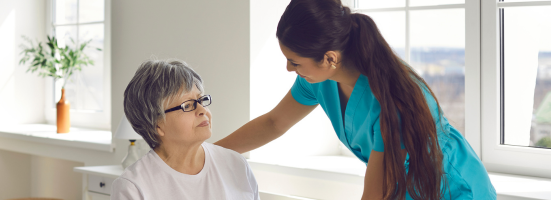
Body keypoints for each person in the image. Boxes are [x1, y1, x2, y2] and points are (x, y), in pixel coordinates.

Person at [214, 0, 496, 199]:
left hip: (454, 190)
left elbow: (374, 194)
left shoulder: (393, 101)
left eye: (294, 61)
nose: (289, 68)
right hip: (404, 188)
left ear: (329, 59)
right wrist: (207, 154)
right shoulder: (318, 80)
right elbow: (274, 123)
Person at [111, 59, 259, 200]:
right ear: (157, 125)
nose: (202, 110)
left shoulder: (236, 165)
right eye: (187, 105)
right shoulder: (133, 187)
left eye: (201, 100)